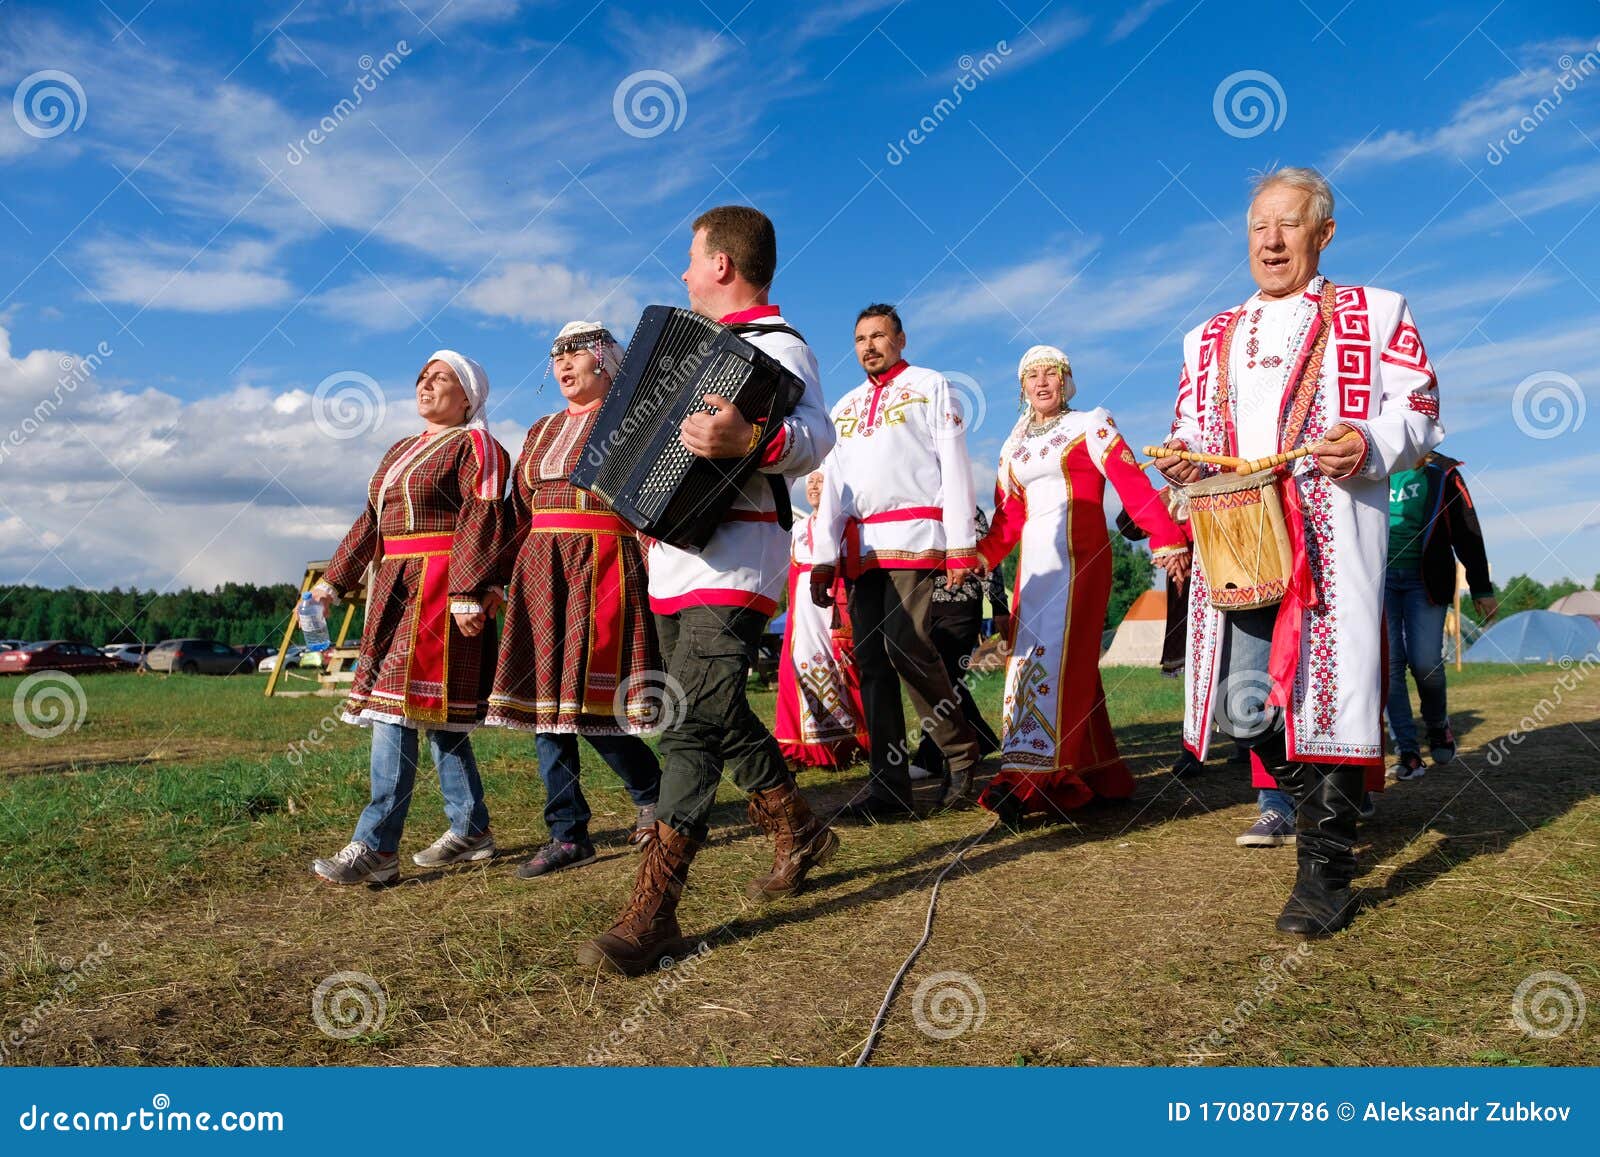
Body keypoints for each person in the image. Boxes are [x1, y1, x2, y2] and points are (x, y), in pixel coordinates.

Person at [1157, 166, 1443, 936]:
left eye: (1288, 225)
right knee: (1243, 709)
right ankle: (1323, 811)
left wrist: (1371, 440)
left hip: (1331, 536)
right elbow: (1190, 425)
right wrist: (1182, 457)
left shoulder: (1376, 313)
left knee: (1333, 701)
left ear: (1325, 233)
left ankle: (1326, 869)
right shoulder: (1208, 335)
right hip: (1241, 543)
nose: (1271, 240)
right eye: (1258, 227)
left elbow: (1421, 411)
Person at [578, 206, 838, 976]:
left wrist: (752, 440)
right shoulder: (686, 348)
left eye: (690, 260)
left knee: (690, 721)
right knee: (710, 708)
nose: (684, 274)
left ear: (722, 264)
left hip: (739, 553)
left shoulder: (780, 344)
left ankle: (652, 914)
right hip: (674, 560)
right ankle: (799, 826)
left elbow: (820, 437)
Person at [310, 351, 510, 886]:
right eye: (422, 376)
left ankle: (376, 847)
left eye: (440, 378)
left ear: (468, 397)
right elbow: (372, 520)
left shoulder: (477, 445)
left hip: (441, 587)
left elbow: (484, 514)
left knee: (396, 713)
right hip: (394, 586)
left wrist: (468, 588)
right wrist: (334, 580)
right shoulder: (401, 450)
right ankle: (471, 829)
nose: (425, 383)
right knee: (432, 716)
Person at [977, 345, 1190, 825]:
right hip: (1033, 569)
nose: (1042, 382)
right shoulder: (1012, 447)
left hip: (1081, 559)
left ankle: (1029, 779)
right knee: (1040, 661)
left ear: (1066, 381)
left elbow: (1130, 481)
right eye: (1032, 376)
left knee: (1058, 657)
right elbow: (1008, 520)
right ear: (1022, 387)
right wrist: (978, 558)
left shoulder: (1090, 425)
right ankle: (1097, 771)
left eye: (1052, 373)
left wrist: (1166, 536)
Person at [485, 322, 663, 878]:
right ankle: (567, 833)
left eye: (575, 356)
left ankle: (652, 792)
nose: (563, 367)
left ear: (605, 363)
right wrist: (492, 579)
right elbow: (519, 510)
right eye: (556, 358)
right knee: (546, 705)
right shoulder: (539, 431)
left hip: (605, 562)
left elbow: (653, 499)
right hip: (540, 567)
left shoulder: (634, 420)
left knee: (592, 698)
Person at [809, 304, 986, 818]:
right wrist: (824, 558)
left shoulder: (931, 386)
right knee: (872, 666)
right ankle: (889, 786)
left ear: (901, 339)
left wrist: (960, 546)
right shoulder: (843, 407)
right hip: (859, 549)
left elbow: (954, 464)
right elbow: (834, 490)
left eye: (879, 335)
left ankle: (960, 750)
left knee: (909, 649)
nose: (869, 346)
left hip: (915, 536)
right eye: (861, 338)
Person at [1385, 450, 1496, 779]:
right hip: (1381, 581)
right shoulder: (1373, 464)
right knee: (1389, 666)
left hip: (1426, 579)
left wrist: (1482, 588)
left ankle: (1437, 725)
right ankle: (1407, 751)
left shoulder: (1444, 473)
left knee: (1425, 662)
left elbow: (1467, 530)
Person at [774, 470, 870, 768]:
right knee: (803, 667)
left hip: (832, 609)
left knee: (839, 671)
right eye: (810, 482)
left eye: (821, 481)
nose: (814, 486)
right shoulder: (799, 528)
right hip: (804, 614)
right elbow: (792, 578)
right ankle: (809, 748)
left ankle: (850, 745)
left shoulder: (844, 524)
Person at [911, 507, 1008, 779]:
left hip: (962, 605)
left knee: (943, 678)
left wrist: (999, 604)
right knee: (942, 680)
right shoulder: (916, 503)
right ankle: (981, 737)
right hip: (923, 605)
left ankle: (929, 757)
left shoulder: (968, 509)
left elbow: (989, 557)